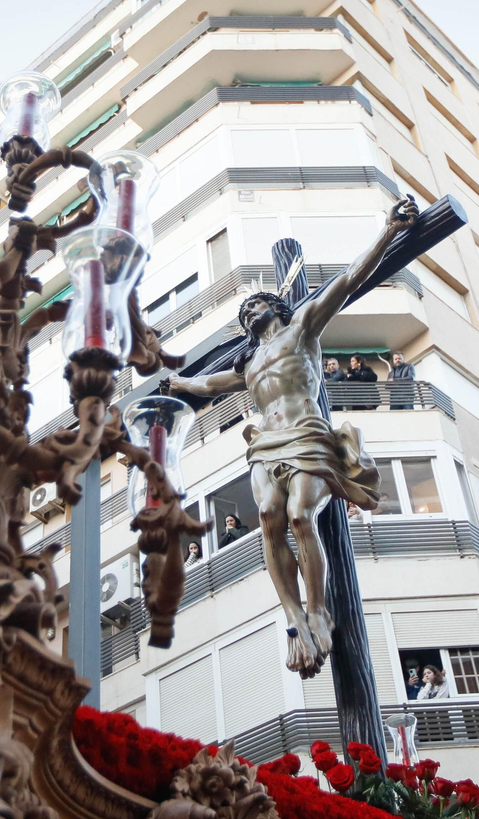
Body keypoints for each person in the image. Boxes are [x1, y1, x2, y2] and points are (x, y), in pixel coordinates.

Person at [167, 198, 415, 675]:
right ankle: (294, 615)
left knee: (302, 515)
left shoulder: (301, 330)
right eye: (243, 313)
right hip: (266, 443)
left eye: (254, 305)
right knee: (267, 515)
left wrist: (387, 232)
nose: (248, 313)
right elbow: (210, 385)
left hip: (306, 433)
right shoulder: (250, 363)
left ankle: (318, 607)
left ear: (275, 307)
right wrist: (177, 384)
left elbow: (347, 282)